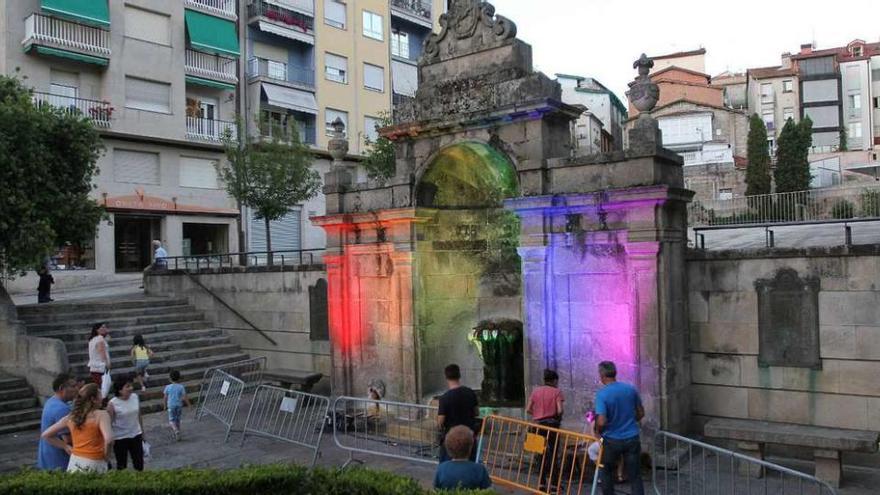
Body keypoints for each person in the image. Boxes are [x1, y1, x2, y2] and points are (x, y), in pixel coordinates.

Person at [594, 361, 644, 495]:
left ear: (602, 375)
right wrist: (629, 422)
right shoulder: (630, 389)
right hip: (632, 437)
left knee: (607, 473)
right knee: (635, 476)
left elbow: (601, 421)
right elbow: (641, 413)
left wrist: (598, 431)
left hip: (611, 440)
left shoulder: (602, 394)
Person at [41, 383, 113, 473]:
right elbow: (109, 439)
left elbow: (46, 435)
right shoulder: (101, 415)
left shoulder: (71, 417)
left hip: (75, 460)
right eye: (100, 396)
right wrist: (106, 456)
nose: (102, 399)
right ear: (93, 399)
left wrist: (65, 446)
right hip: (95, 460)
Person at [527, 369, 565, 490]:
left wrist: (537, 414)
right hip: (552, 425)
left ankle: (541, 483)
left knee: (539, 454)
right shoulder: (557, 392)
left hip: (537, 426)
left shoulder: (535, 391)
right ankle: (554, 483)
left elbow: (528, 409)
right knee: (553, 453)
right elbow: (560, 410)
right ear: (554, 381)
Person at [437, 364, 479, 463]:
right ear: (459, 375)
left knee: (447, 466)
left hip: (452, 439)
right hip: (469, 437)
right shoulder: (470, 393)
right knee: (470, 465)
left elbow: (440, 422)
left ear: (446, 377)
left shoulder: (444, 398)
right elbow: (476, 412)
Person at [36, 373, 77, 470]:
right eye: (73, 386)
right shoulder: (62, 409)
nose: (77, 389)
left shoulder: (51, 401)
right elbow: (68, 440)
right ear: (62, 388)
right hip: (59, 461)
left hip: (47, 457)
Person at [433, 425, 492, 491]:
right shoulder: (480, 470)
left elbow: (436, 490)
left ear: (448, 447)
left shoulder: (441, 469)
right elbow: (488, 491)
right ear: (470, 447)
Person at [108, 375, 145, 471]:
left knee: (139, 462)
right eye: (127, 386)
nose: (131, 388)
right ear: (120, 390)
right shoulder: (112, 403)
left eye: (131, 385)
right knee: (121, 464)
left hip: (136, 434)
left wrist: (142, 432)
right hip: (120, 437)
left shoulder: (135, 397)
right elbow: (110, 423)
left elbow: (138, 415)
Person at [163, 370, 191, 441]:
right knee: (178, 419)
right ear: (179, 378)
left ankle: (176, 430)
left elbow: (165, 397)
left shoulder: (168, 387)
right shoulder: (181, 387)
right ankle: (178, 433)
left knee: (171, 420)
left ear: (170, 378)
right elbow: (185, 397)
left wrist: (164, 405)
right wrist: (189, 405)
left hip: (171, 406)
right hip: (179, 405)